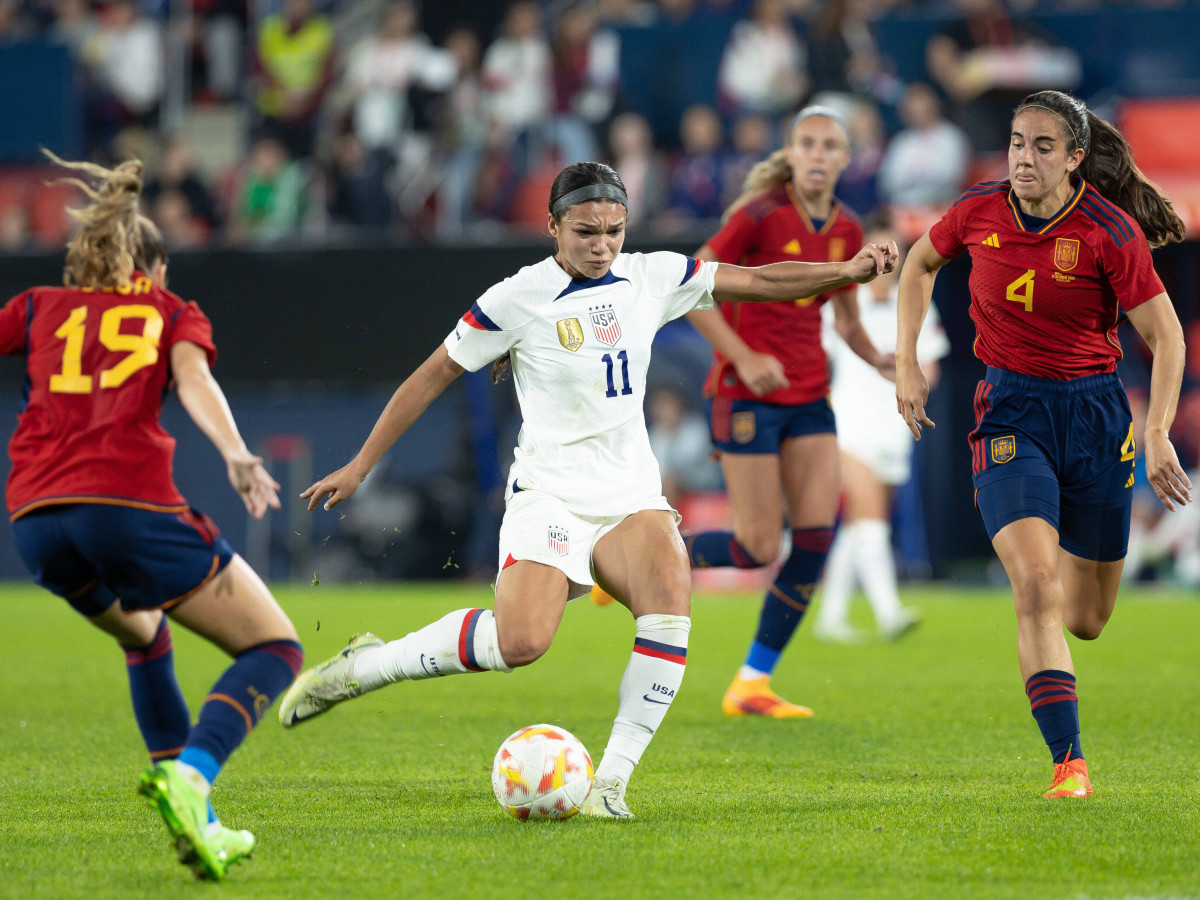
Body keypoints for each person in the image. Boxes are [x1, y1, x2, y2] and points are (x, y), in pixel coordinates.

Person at [278, 161, 897, 817]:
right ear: (552, 227)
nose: (602, 244)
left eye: (614, 230)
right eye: (585, 232)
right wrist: (362, 464)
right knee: (519, 644)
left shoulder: (652, 275)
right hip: (550, 491)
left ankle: (610, 785)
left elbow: (763, 280)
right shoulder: (516, 297)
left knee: (669, 596)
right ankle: (367, 667)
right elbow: (431, 376)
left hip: (630, 492)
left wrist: (845, 272)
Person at [0, 154, 303, 879]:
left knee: (144, 635)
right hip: (126, 505)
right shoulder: (167, 311)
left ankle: (197, 821)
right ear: (152, 269)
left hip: (36, 523)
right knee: (276, 648)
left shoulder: (39, 305)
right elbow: (194, 377)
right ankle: (193, 776)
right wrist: (234, 452)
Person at [895, 90, 1191, 799]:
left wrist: (1155, 434)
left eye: (1044, 146)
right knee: (1034, 587)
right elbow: (917, 266)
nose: (1025, 158)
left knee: (1087, 619)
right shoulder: (978, 211)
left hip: (1095, 418)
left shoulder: (1107, 230)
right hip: (1009, 413)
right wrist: (906, 360)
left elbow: (1167, 336)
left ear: (1076, 158)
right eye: (1017, 143)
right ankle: (1069, 762)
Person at [681, 106, 892, 719]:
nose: (820, 155)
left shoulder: (849, 228)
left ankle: (752, 682)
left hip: (808, 396)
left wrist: (881, 360)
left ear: (846, 158)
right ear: (792, 152)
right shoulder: (758, 214)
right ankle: (645, 554)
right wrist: (745, 357)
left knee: (818, 536)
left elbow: (846, 320)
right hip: (745, 394)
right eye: (809, 144)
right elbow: (693, 289)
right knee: (755, 544)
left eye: (831, 146)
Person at [814, 215, 950, 644]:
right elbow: (816, 360)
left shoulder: (917, 301)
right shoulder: (842, 300)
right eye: (873, 254)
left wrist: (909, 382)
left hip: (894, 426)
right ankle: (889, 612)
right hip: (849, 421)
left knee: (862, 524)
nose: (881, 262)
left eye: (889, 254)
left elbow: (931, 367)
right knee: (869, 518)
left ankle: (830, 617)